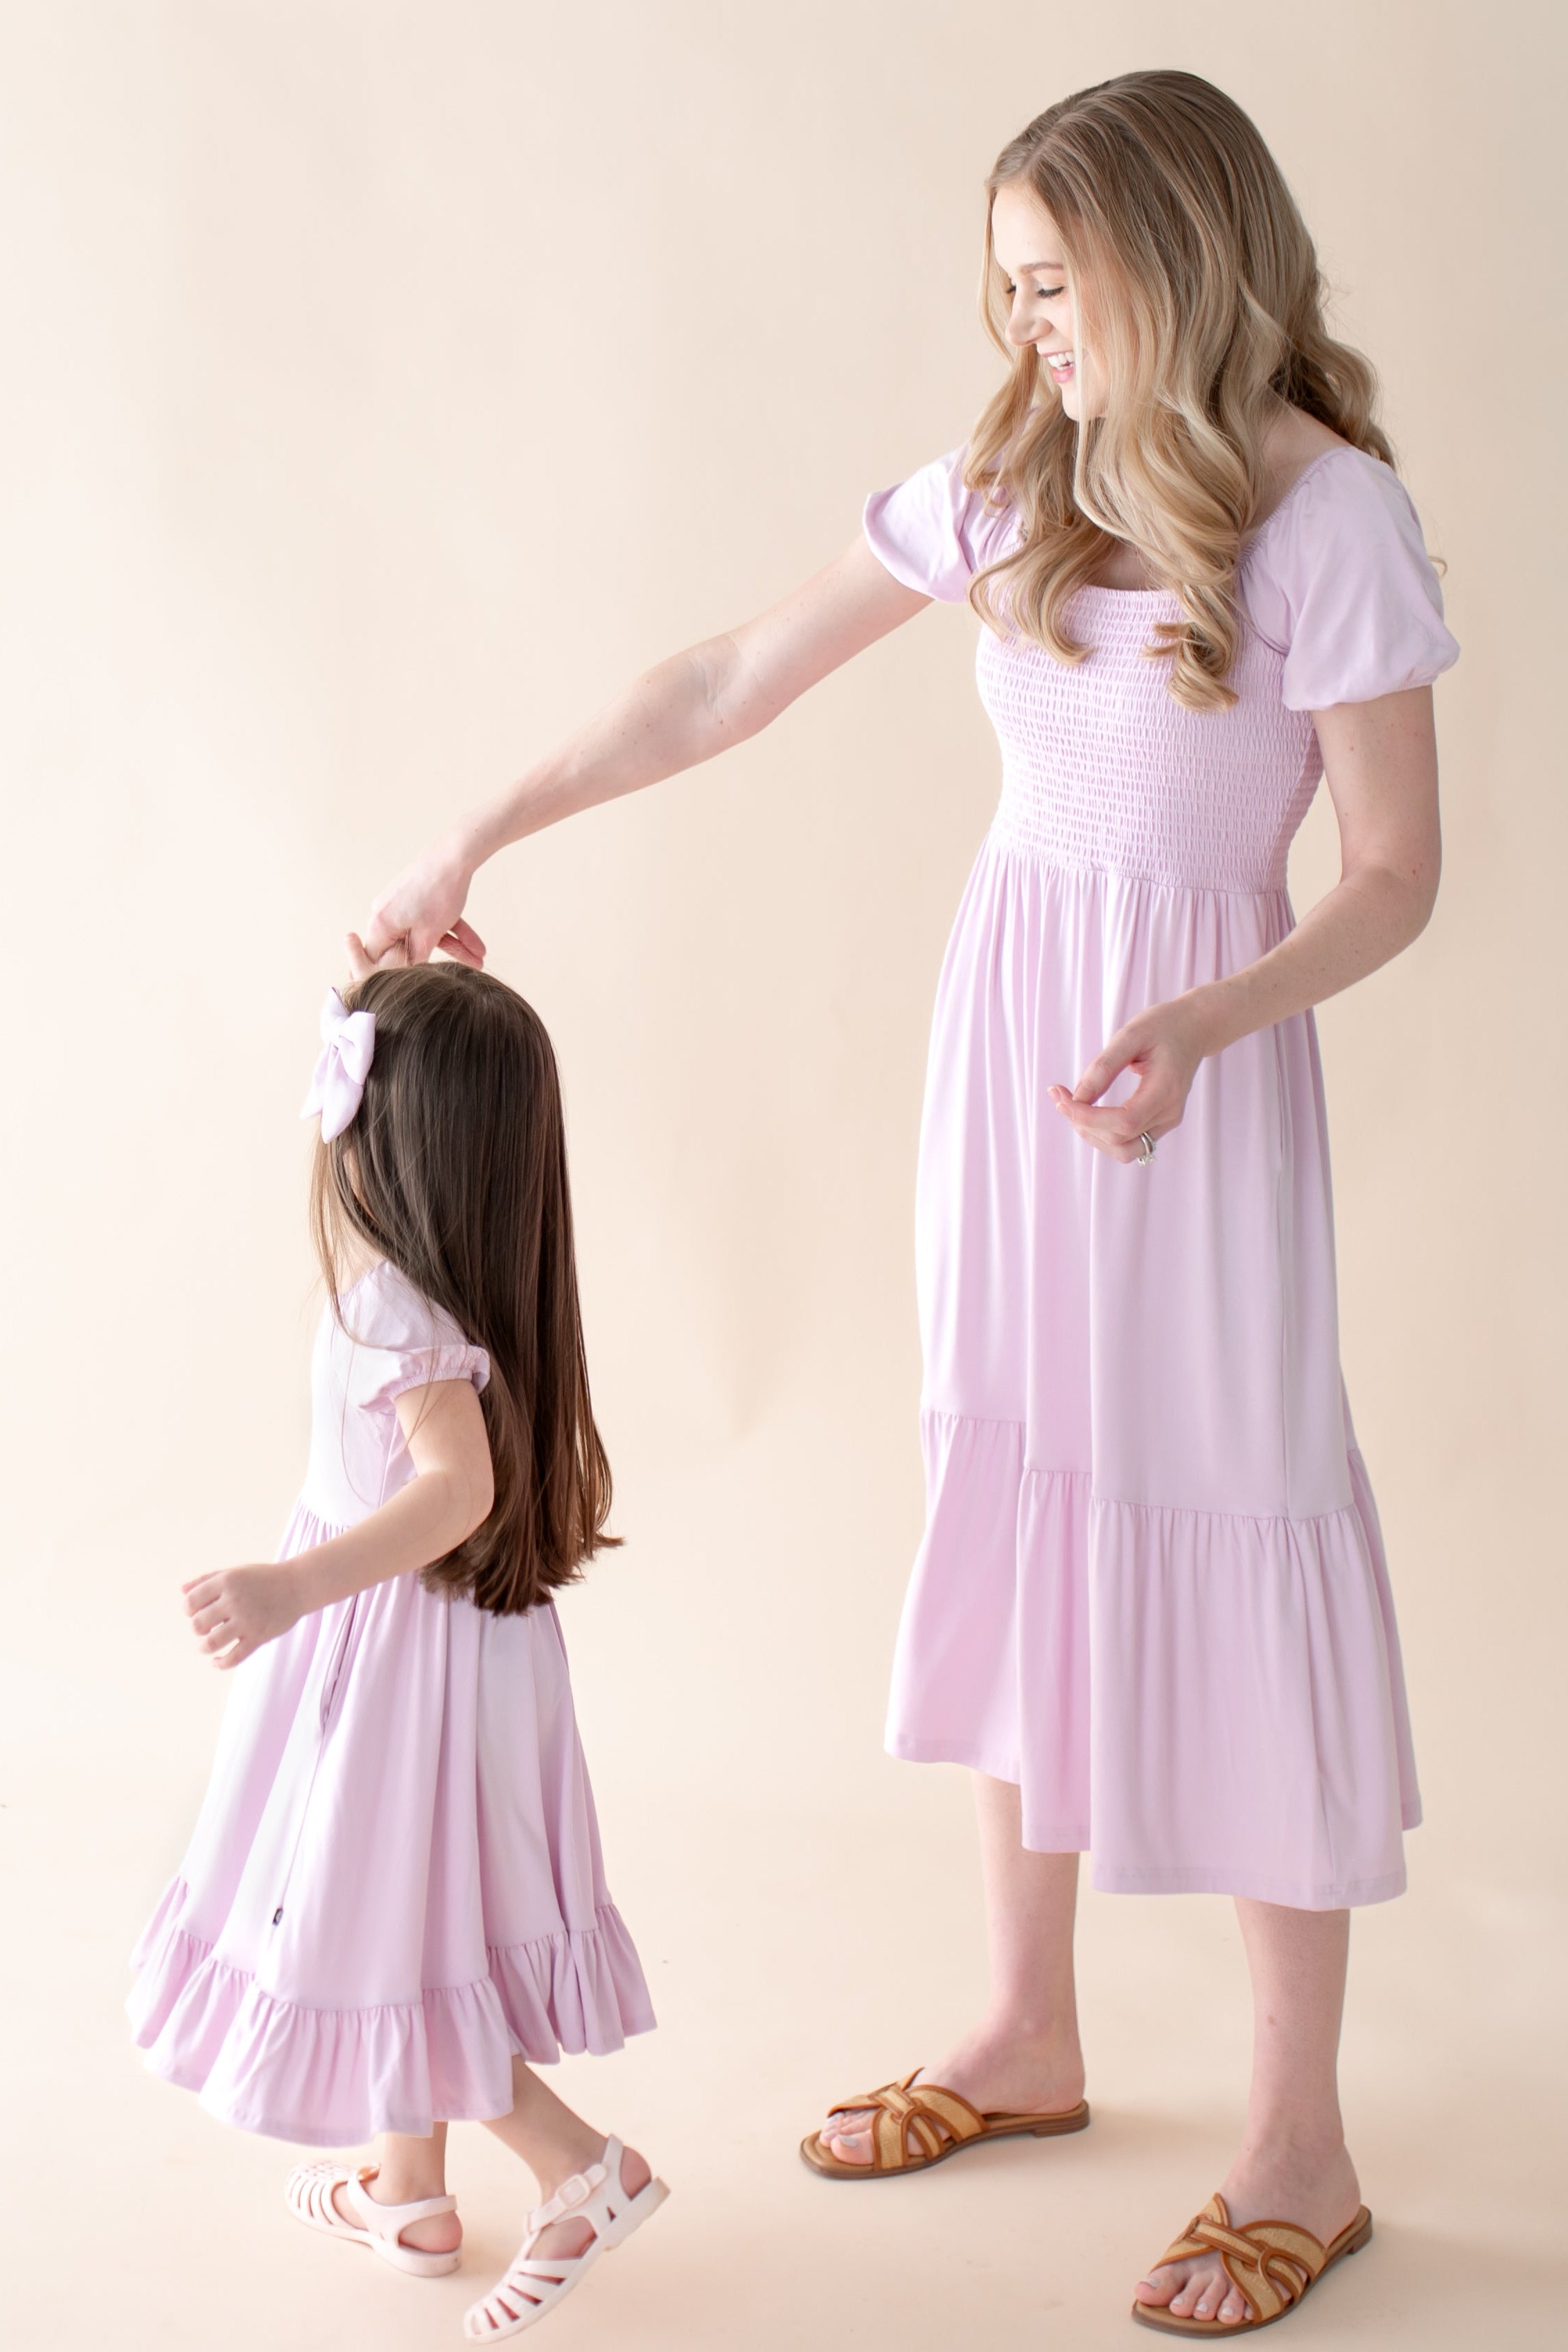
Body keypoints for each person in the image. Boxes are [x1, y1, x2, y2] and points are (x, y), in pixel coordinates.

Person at [354, 70, 1456, 2337]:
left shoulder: (1325, 517)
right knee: (1025, 1490)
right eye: (1010, 285)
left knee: (1230, 1520)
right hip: (1011, 1063)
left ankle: (1298, 2142)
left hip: (1193, 1085)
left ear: (1182, 252)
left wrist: (1215, 1017)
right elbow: (729, 676)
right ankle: (1026, 2028)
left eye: (1060, 281)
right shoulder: (1016, 482)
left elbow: (1393, 875)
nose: (1029, 324)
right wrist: (483, 832)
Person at [127, 961, 668, 2343]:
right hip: (443, 1656)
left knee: (385, 1927)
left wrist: (291, 1585)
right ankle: (406, 2185)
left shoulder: (391, 1306)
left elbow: (456, 1492)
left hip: (390, 1662)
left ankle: (579, 2167)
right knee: (407, 1918)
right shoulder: (441, 1293)